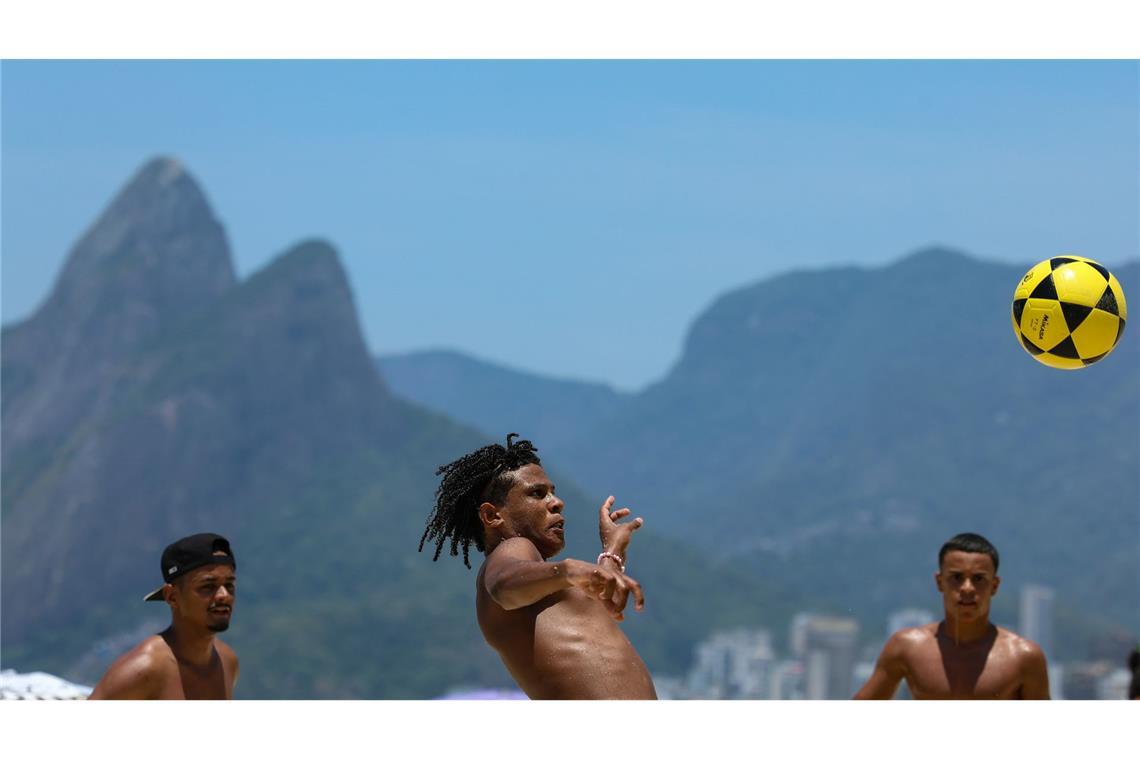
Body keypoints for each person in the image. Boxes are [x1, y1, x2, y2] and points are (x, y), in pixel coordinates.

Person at [419, 433, 656, 699]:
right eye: (537, 493)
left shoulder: (543, 584)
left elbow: (593, 619)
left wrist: (612, 553)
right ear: (492, 515)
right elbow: (503, 585)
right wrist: (568, 570)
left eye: (552, 492)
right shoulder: (512, 549)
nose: (557, 502)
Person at [854, 532, 1049, 699]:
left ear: (994, 586)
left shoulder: (1024, 657)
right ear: (939, 582)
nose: (967, 588)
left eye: (978, 579)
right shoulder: (906, 647)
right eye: (956, 577)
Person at [88, 533, 239, 699]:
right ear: (172, 597)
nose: (224, 595)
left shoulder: (227, 662)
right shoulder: (142, 671)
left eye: (229, 585)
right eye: (207, 586)